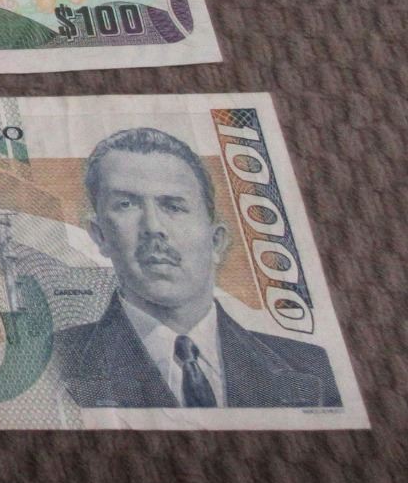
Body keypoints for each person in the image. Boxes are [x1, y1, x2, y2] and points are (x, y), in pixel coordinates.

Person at [54, 127, 340, 409]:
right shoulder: (52, 361)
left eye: (173, 206)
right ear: (99, 235)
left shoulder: (311, 367)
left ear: (216, 241)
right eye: (126, 204)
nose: (153, 227)